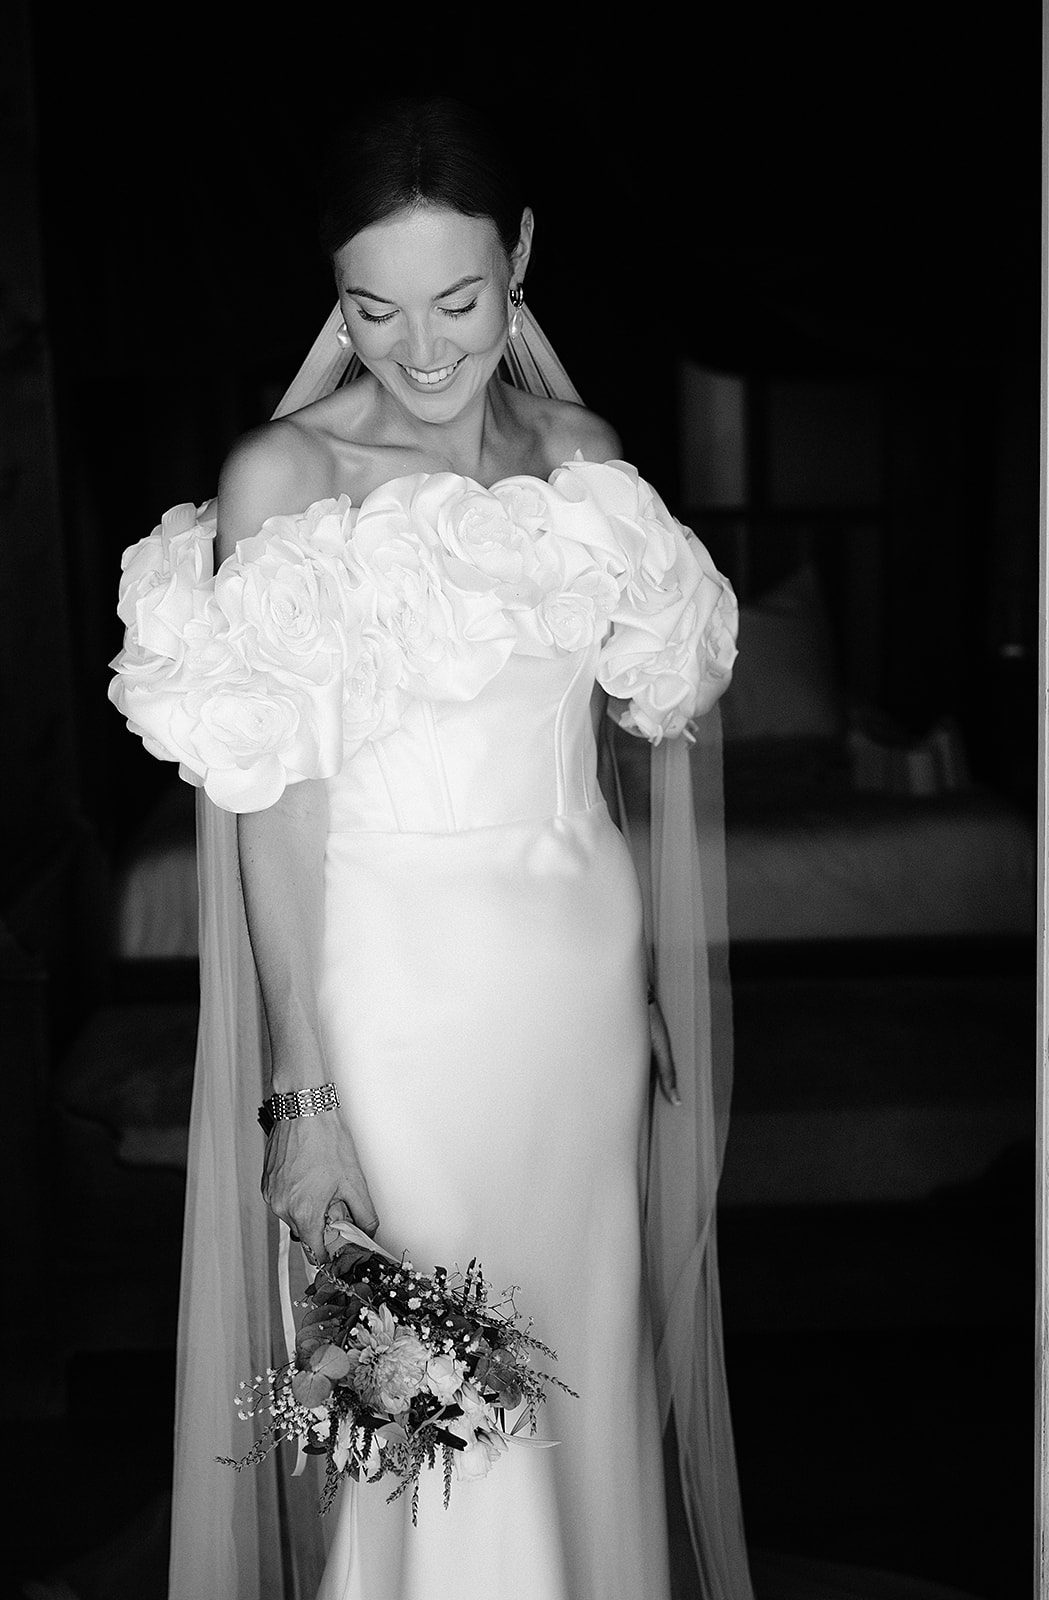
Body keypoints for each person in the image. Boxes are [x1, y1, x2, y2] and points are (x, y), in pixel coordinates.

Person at [109, 95, 752, 1600]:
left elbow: (596, 739)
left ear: (521, 258)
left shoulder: (580, 458)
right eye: (372, 306)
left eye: (459, 300)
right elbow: (273, 802)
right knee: (440, 1416)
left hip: (574, 995)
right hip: (392, 993)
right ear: (333, 299)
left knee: (573, 1364)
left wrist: (637, 970)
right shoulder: (290, 478)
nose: (421, 348)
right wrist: (303, 1093)